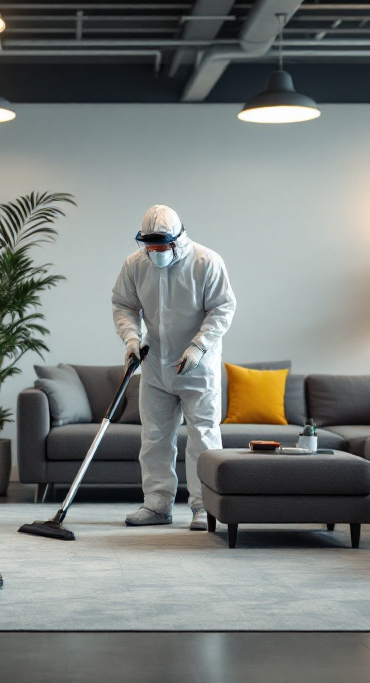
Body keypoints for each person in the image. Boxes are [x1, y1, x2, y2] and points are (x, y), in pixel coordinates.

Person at [111, 205, 236, 531]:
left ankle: (203, 508)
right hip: (154, 367)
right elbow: (124, 304)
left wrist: (198, 346)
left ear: (177, 239)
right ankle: (156, 505)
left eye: (161, 246)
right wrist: (130, 339)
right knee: (154, 438)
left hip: (197, 366)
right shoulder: (135, 265)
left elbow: (222, 308)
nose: (156, 252)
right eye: (149, 246)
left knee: (203, 440)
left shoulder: (206, 262)